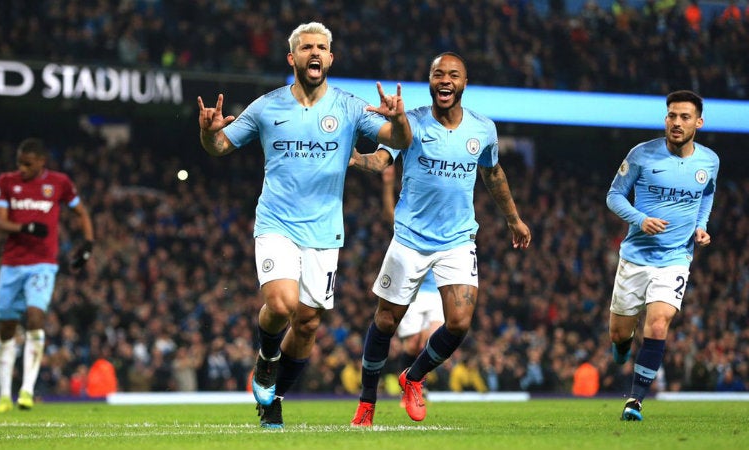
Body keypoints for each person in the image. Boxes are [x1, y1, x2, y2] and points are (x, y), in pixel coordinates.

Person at [197, 21, 412, 429]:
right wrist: (208, 133)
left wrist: (399, 120)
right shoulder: (266, 106)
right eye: (306, 47)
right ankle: (265, 361)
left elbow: (398, 141)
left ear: (330, 58)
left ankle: (274, 398)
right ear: (291, 58)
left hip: (324, 231)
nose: (314, 53)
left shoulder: (349, 107)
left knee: (309, 322)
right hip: (276, 223)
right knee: (282, 304)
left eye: (321, 47)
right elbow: (221, 146)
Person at [348, 52, 531, 426]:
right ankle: (367, 403)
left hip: (458, 241)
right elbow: (383, 160)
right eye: (437, 74)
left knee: (460, 323)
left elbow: (493, 174)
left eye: (453, 74)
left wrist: (513, 219)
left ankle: (413, 377)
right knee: (385, 323)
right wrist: (353, 159)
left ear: (464, 82)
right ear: (429, 81)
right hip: (410, 240)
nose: (445, 80)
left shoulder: (483, 129)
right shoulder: (410, 123)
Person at [606, 90, 719, 421]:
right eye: (671, 115)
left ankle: (635, 401)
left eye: (684, 117)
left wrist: (700, 226)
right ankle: (621, 347)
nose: (677, 122)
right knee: (620, 334)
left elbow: (707, 194)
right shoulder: (641, 155)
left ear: (698, 122)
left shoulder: (709, 161)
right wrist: (640, 219)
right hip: (635, 256)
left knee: (658, 324)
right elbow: (614, 196)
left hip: (675, 258)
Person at [0, 138, 94, 413]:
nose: (21, 168)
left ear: (41, 162)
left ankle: (26, 390)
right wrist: (25, 228)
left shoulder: (59, 183)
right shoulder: (6, 182)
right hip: (11, 264)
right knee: (7, 326)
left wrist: (88, 243)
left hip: (42, 264)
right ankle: (3, 396)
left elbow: (81, 211)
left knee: (36, 316)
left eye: (28, 163)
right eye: (19, 162)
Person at [381, 164, 444, 392]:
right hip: (413, 291)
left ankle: (415, 380)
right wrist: (388, 185)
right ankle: (408, 387)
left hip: (436, 291)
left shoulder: (445, 224)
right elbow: (390, 216)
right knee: (413, 343)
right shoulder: (411, 223)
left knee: (433, 337)